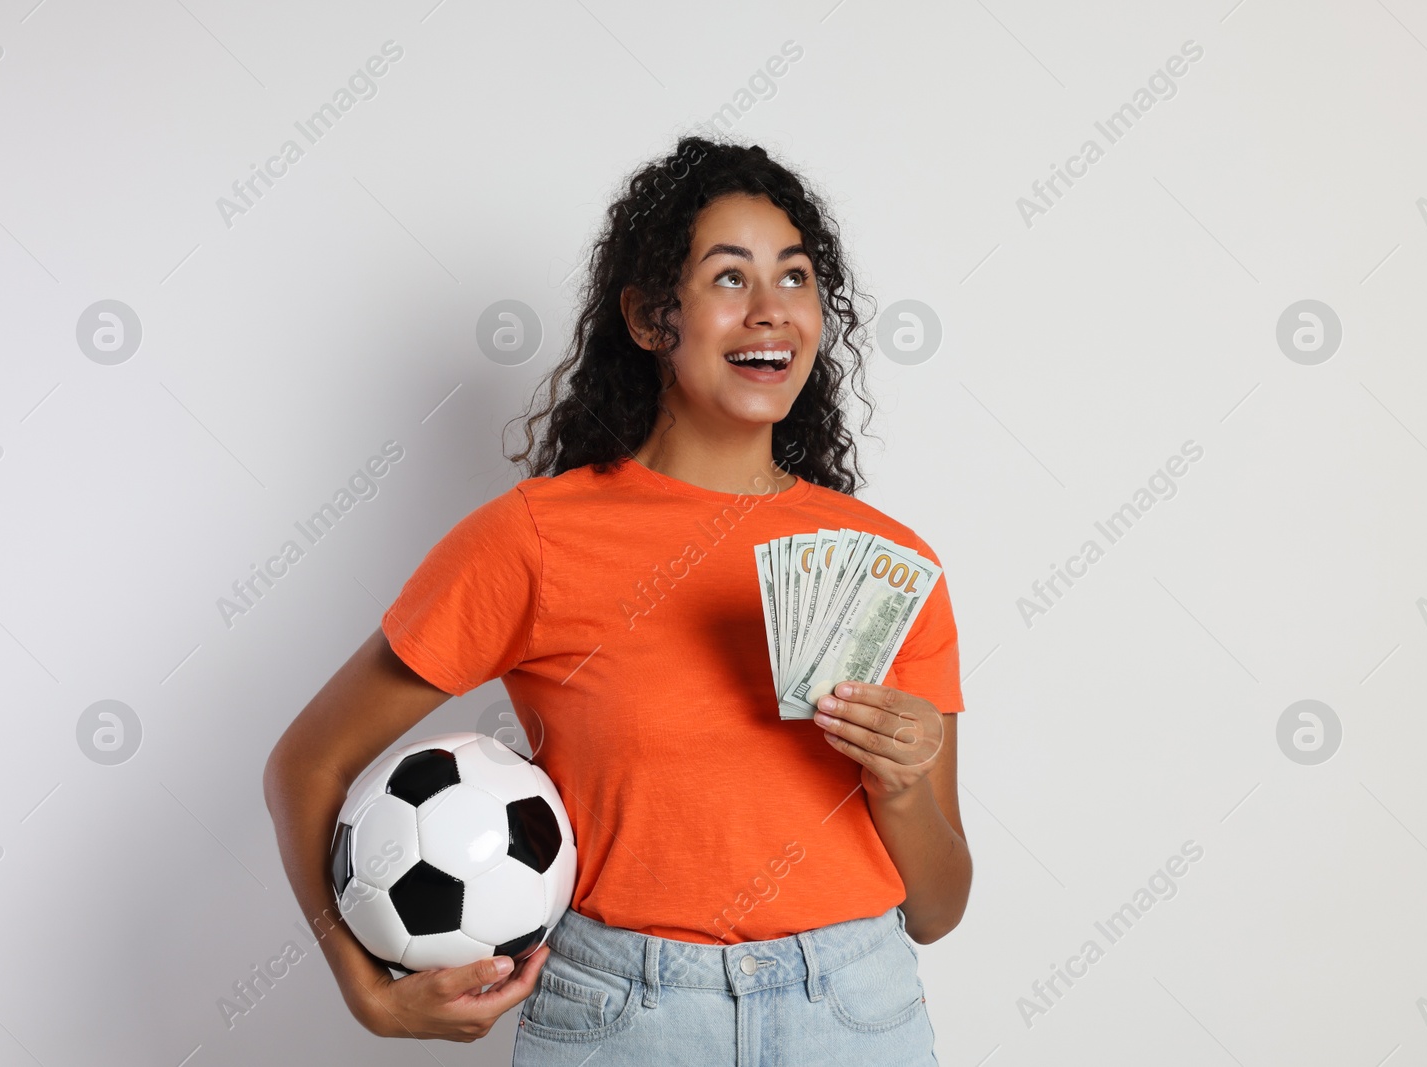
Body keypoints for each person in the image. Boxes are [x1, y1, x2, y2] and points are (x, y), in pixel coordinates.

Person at [263, 135, 971, 1064]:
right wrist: (365, 988)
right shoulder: (533, 540)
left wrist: (905, 783)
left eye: (795, 279)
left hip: (856, 1011)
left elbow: (938, 906)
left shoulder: (884, 563)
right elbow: (307, 764)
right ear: (648, 317)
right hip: (622, 1018)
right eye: (729, 278)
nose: (771, 311)